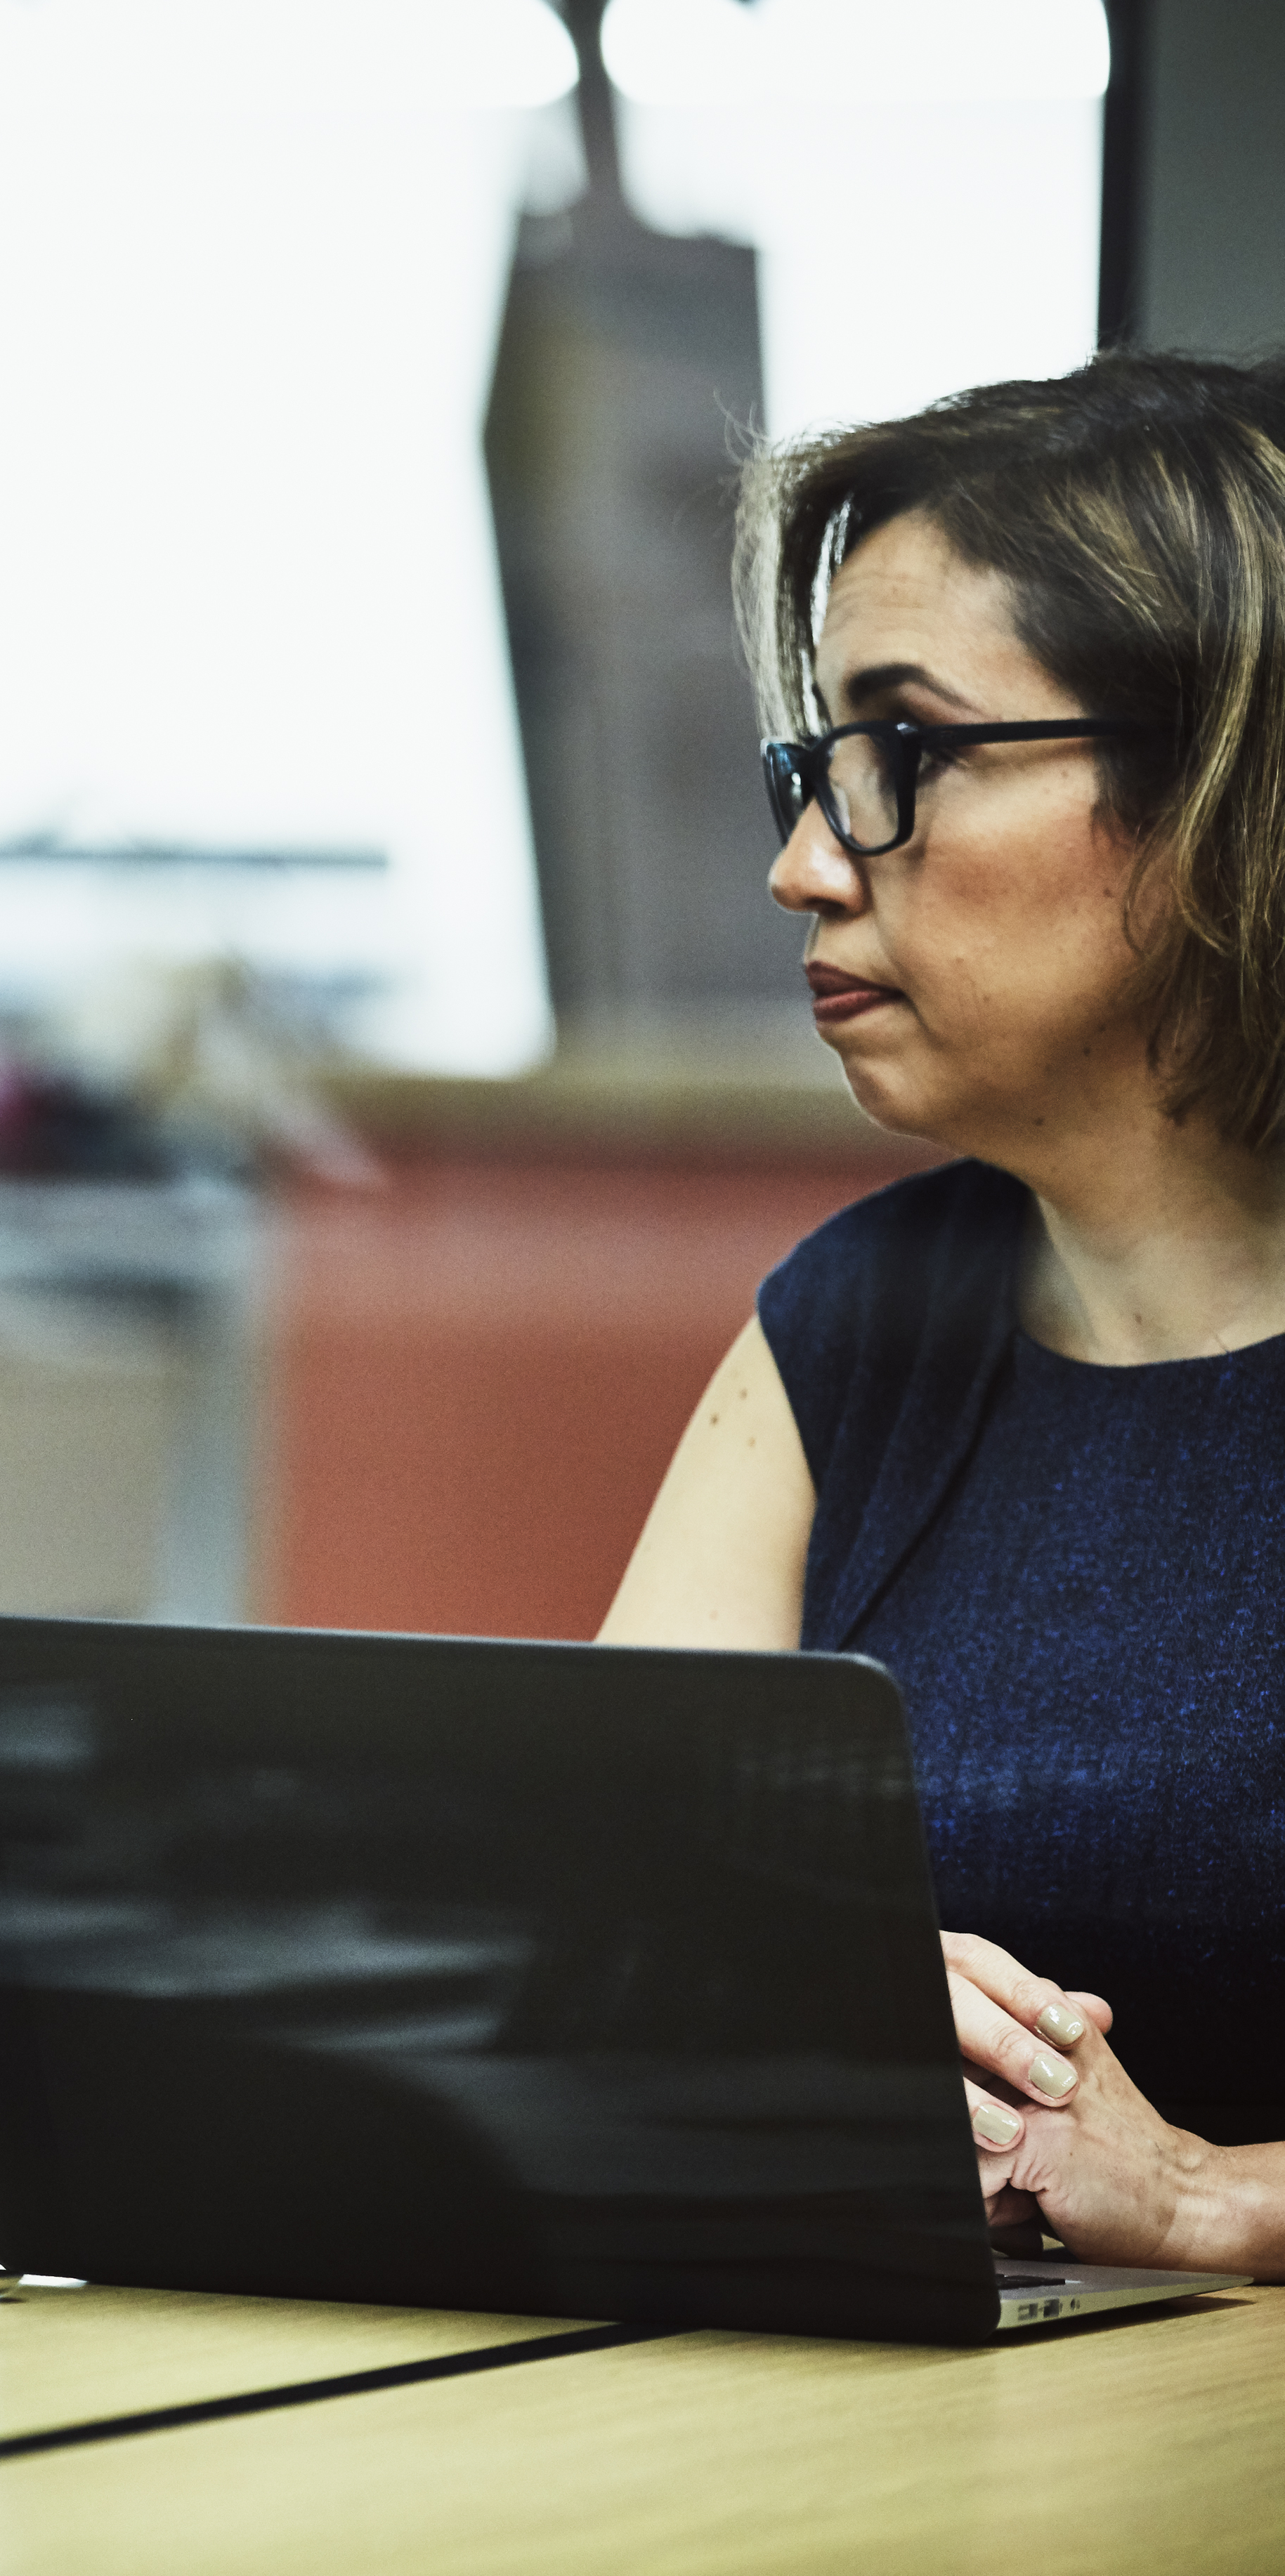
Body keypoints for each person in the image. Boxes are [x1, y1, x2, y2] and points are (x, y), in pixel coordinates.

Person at [604, 353, 1285, 2278]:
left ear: (1226, 774)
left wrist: (1209, 2197)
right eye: (811, 764)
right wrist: (783, 2020)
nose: (803, 859)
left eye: (901, 752)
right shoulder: (852, 1322)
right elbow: (587, 1935)